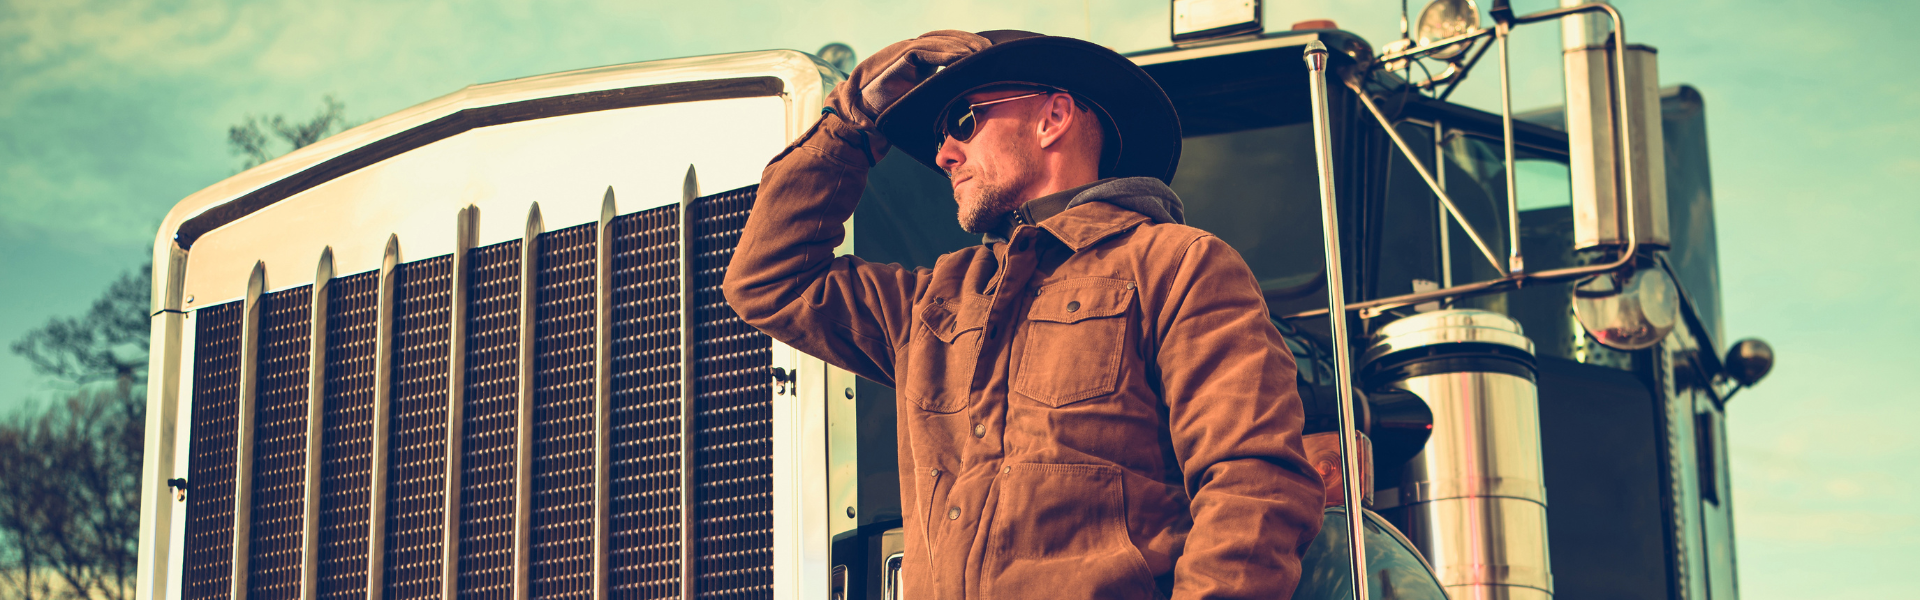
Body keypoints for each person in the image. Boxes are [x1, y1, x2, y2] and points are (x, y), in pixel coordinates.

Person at [722, 30, 1323, 600]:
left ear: (1051, 118)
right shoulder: (933, 301)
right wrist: (851, 122)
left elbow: (1253, 482)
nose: (944, 153)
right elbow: (767, 279)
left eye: (963, 121)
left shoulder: (1177, 264)